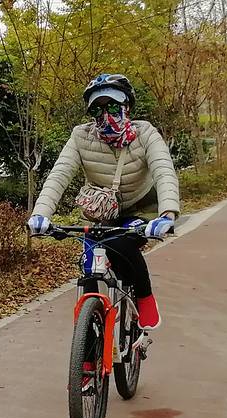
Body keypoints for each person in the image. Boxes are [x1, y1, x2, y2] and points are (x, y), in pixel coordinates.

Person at [27, 74, 180, 330]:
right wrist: (40, 214)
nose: (105, 115)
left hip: (140, 209)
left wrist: (167, 214)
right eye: (97, 109)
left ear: (127, 107)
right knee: (89, 264)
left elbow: (164, 171)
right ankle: (90, 331)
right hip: (101, 212)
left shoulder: (145, 134)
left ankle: (144, 297)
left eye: (113, 107)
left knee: (121, 244)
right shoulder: (81, 136)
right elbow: (59, 174)